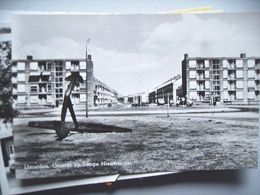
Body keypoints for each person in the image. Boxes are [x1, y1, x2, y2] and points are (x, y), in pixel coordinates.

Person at [56, 71, 83, 140]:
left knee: (66, 109)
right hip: (67, 95)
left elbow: (70, 87)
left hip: (67, 95)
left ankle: (65, 122)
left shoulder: (71, 82)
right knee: (69, 110)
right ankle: (74, 123)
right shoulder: (72, 82)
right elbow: (70, 87)